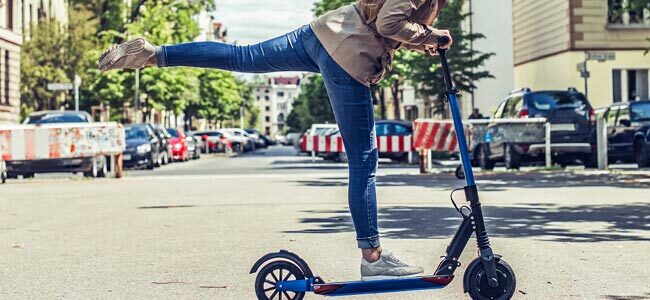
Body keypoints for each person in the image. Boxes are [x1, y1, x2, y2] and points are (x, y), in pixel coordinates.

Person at [98, 0, 452, 280]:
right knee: (364, 160)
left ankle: (154, 54)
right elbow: (389, 24)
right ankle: (373, 256)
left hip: (322, 32)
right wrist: (431, 36)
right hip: (348, 57)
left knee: (243, 56)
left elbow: (385, 22)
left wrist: (422, 42)